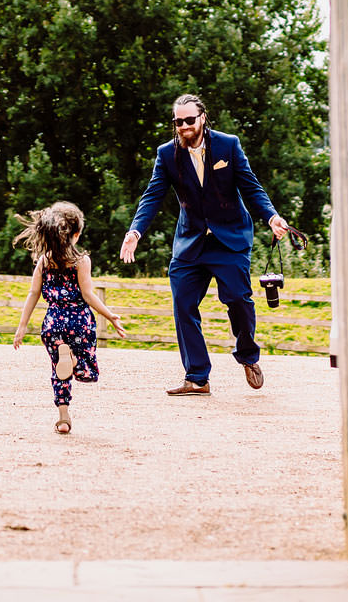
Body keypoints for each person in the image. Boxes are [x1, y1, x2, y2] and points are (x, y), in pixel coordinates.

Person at [120, 93, 294, 396]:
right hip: (191, 243)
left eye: (189, 120)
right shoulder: (166, 154)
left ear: (202, 118)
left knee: (238, 300)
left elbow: (251, 187)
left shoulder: (228, 145)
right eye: (178, 122)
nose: (184, 126)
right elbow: (152, 196)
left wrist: (271, 217)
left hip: (230, 239)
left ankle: (248, 355)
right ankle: (197, 377)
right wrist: (135, 231)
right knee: (183, 304)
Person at [10, 201, 126, 434]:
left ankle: (63, 419)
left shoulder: (45, 261)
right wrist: (110, 315)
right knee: (87, 372)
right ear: (75, 234)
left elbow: (33, 293)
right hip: (79, 322)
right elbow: (88, 294)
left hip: (52, 323)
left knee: (58, 372)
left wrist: (22, 327)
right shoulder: (81, 261)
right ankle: (74, 361)